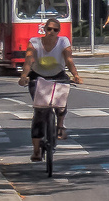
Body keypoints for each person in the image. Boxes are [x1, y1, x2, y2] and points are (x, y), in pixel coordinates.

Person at [24, 18, 83, 162]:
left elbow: (69, 59)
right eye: (49, 29)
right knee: (40, 111)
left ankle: (60, 126)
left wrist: (75, 75)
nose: (51, 32)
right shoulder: (35, 42)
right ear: (44, 30)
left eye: (55, 30)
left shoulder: (63, 42)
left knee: (61, 103)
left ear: (59, 31)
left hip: (58, 75)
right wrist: (23, 76)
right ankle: (36, 150)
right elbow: (28, 59)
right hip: (37, 77)